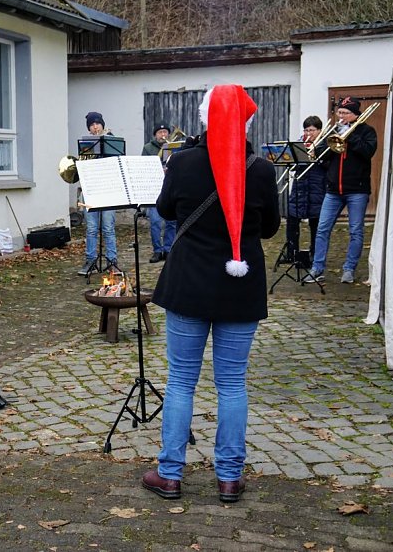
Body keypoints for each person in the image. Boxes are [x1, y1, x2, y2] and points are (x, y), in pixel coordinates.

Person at [141, 84, 280, 503]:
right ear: (247, 121)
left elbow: (165, 210)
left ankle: (169, 474)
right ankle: (229, 478)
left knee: (182, 380)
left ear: (204, 118)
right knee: (233, 384)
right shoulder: (260, 168)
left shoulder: (182, 162)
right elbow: (271, 227)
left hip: (188, 284)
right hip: (239, 286)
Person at [303, 97, 377, 285]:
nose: (341, 116)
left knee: (355, 231)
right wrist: (325, 142)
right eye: (339, 113)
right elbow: (321, 155)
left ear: (355, 114)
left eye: (345, 113)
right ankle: (317, 268)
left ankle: (349, 269)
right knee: (322, 229)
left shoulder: (366, 131)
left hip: (357, 189)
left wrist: (349, 135)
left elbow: (368, 152)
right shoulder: (333, 130)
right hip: (333, 189)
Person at [77, 111, 119, 276]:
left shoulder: (112, 140)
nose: (95, 127)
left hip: (108, 190)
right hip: (91, 190)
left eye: (97, 124)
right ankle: (90, 261)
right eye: (92, 125)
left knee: (108, 228)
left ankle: (112, 262)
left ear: (102, 124)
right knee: (91, 228)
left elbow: (117, 162)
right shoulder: (86, 145)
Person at [286, 116, 327, 267]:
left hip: (317, 187)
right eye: (306, 129)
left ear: (319, 130)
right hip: (300, 186)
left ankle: (315, 253)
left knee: (315, 222)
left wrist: (316, 153)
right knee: (292, 220)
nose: (308, 133)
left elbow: (327, 165)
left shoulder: (325, 144)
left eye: (311, 130)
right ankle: (292, 253)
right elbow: (293, 167)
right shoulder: (300, 143)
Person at [142, 123, 177, 263]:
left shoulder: (173, 147)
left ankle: (168, 249)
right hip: (154, 189)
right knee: (155, 221)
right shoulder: (148, 148)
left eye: (165, 132)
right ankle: (157, 250)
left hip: (170, 188)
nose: (163, 135)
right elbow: (143, 166)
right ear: (155, 135)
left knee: (171, 221)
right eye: (160, 132)